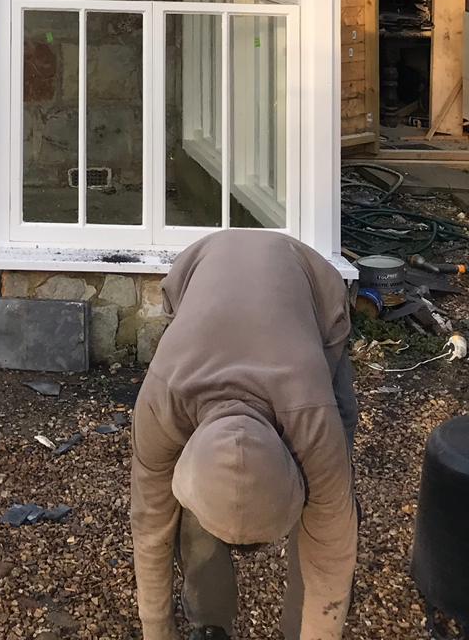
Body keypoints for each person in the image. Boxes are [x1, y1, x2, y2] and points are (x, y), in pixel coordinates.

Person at [130, 229, 358, 640]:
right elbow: (150, 524)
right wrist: (157, 630)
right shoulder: (162, 401)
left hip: (311, 290)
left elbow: (331, 544)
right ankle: (209, 622)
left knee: (328, 495)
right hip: (201, 268)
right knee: (208, 488)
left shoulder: (312, 417)